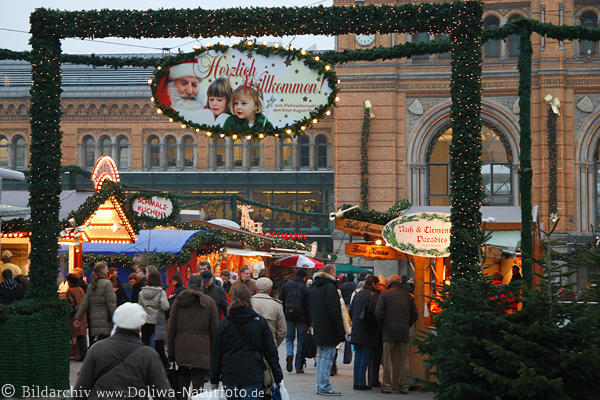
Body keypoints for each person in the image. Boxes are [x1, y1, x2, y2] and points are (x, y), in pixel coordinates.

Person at [72, 302, 174, 400]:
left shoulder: (96, 348)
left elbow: (80, 390)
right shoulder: (148, 355)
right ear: (139, 328)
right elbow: (163, 394)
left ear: (116, 323)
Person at [210, 284, 283, 400]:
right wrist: (277, 375)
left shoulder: (224, 324)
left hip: (230, 374)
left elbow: (216, 354)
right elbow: (270, 350)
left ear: (232, 299)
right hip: (252, 374)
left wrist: (214, 380)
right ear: (249, 298)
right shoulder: (259, 321)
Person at [168, 273, 219, 400]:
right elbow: (214, 330)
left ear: (188, 284)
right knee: (198, 387)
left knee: (182, 384)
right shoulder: (209, 302)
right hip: (202, 348)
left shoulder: (178, 301)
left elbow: (171, 328)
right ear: (201, 284)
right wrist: (215, 352)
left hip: (181, 346)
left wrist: (171, 353)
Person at [375, 275, 418, 394]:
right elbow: (415, 315)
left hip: (388, 331)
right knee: (404, 360)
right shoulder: (407, 296)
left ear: (389, 283)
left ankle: (387, 386)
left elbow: (378, 313)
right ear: (399, 282)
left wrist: (383, 325)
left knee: (387, 360)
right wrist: (407, 324)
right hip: (403, 332)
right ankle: (404, 386)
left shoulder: (385, 295)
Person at [309, 264, 346, 396]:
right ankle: (324, 386)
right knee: (327, 357)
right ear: (331, 272)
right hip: (329, 327)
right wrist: (340, 329)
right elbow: (334, 311)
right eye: (335, 272)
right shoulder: (329, 287)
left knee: (321, 357)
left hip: (319, 326)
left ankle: (321, 384)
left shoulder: (315, 287)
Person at [349, 275, 380, 391]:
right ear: (373, 284)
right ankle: (361, 383)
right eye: (377, 284)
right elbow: (375, 314)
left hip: (357, 329)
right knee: (364, 356)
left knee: (358, 355)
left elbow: (351, 311)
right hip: (368, 330)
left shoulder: (358, 294)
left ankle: (356, 382)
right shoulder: (373, 296)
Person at [74, 262, 117, 344]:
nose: (107, 270)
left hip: (93, 319)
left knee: (94, 344)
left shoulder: (91, 285)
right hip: (106, 320)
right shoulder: (107, 284)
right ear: (103, 270)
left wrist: (78, 318)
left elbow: (84, 303)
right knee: (105, 345)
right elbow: (111, 304)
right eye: (107, 268)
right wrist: (116, 319)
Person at [279, 268, 311, 374]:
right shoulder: (305, 289)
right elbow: (308, 307)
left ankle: (289, 353)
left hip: (288, 316)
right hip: (302, 319)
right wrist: (309, 323)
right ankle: (298, 366)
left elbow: (280, 301)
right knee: (301, 341)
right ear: (304, 277)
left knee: (289, 338)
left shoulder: (286, 286)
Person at [163, 60, 214, 125]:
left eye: (194, 85)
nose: (190, 91)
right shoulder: (165, 113)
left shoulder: (209, 116)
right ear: (172, 85)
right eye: (184, 83)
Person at [138, 266, 170, 351]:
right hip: (157, 322)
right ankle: (162, 363)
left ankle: (145, 362)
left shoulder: (141, 292)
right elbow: (165, 306)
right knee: (159, 348)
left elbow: (140, 307)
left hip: (146, 321)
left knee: (145, 344)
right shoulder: (161, 292)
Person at [251, 277, 287, 347]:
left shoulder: (248, 302)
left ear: (256, 289)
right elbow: (282, 331)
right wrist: (274, 344)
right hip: (269, 345)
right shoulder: (277, 305)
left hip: (250, 346)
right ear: (270, 290)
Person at [66, 273, 88, 362]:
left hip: (75, 316)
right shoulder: (81, 289)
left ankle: (78, 354)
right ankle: (83, 354)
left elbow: (71, 304)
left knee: (76, 336)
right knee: (81, 336)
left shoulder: (70, 291)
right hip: (82, 315)